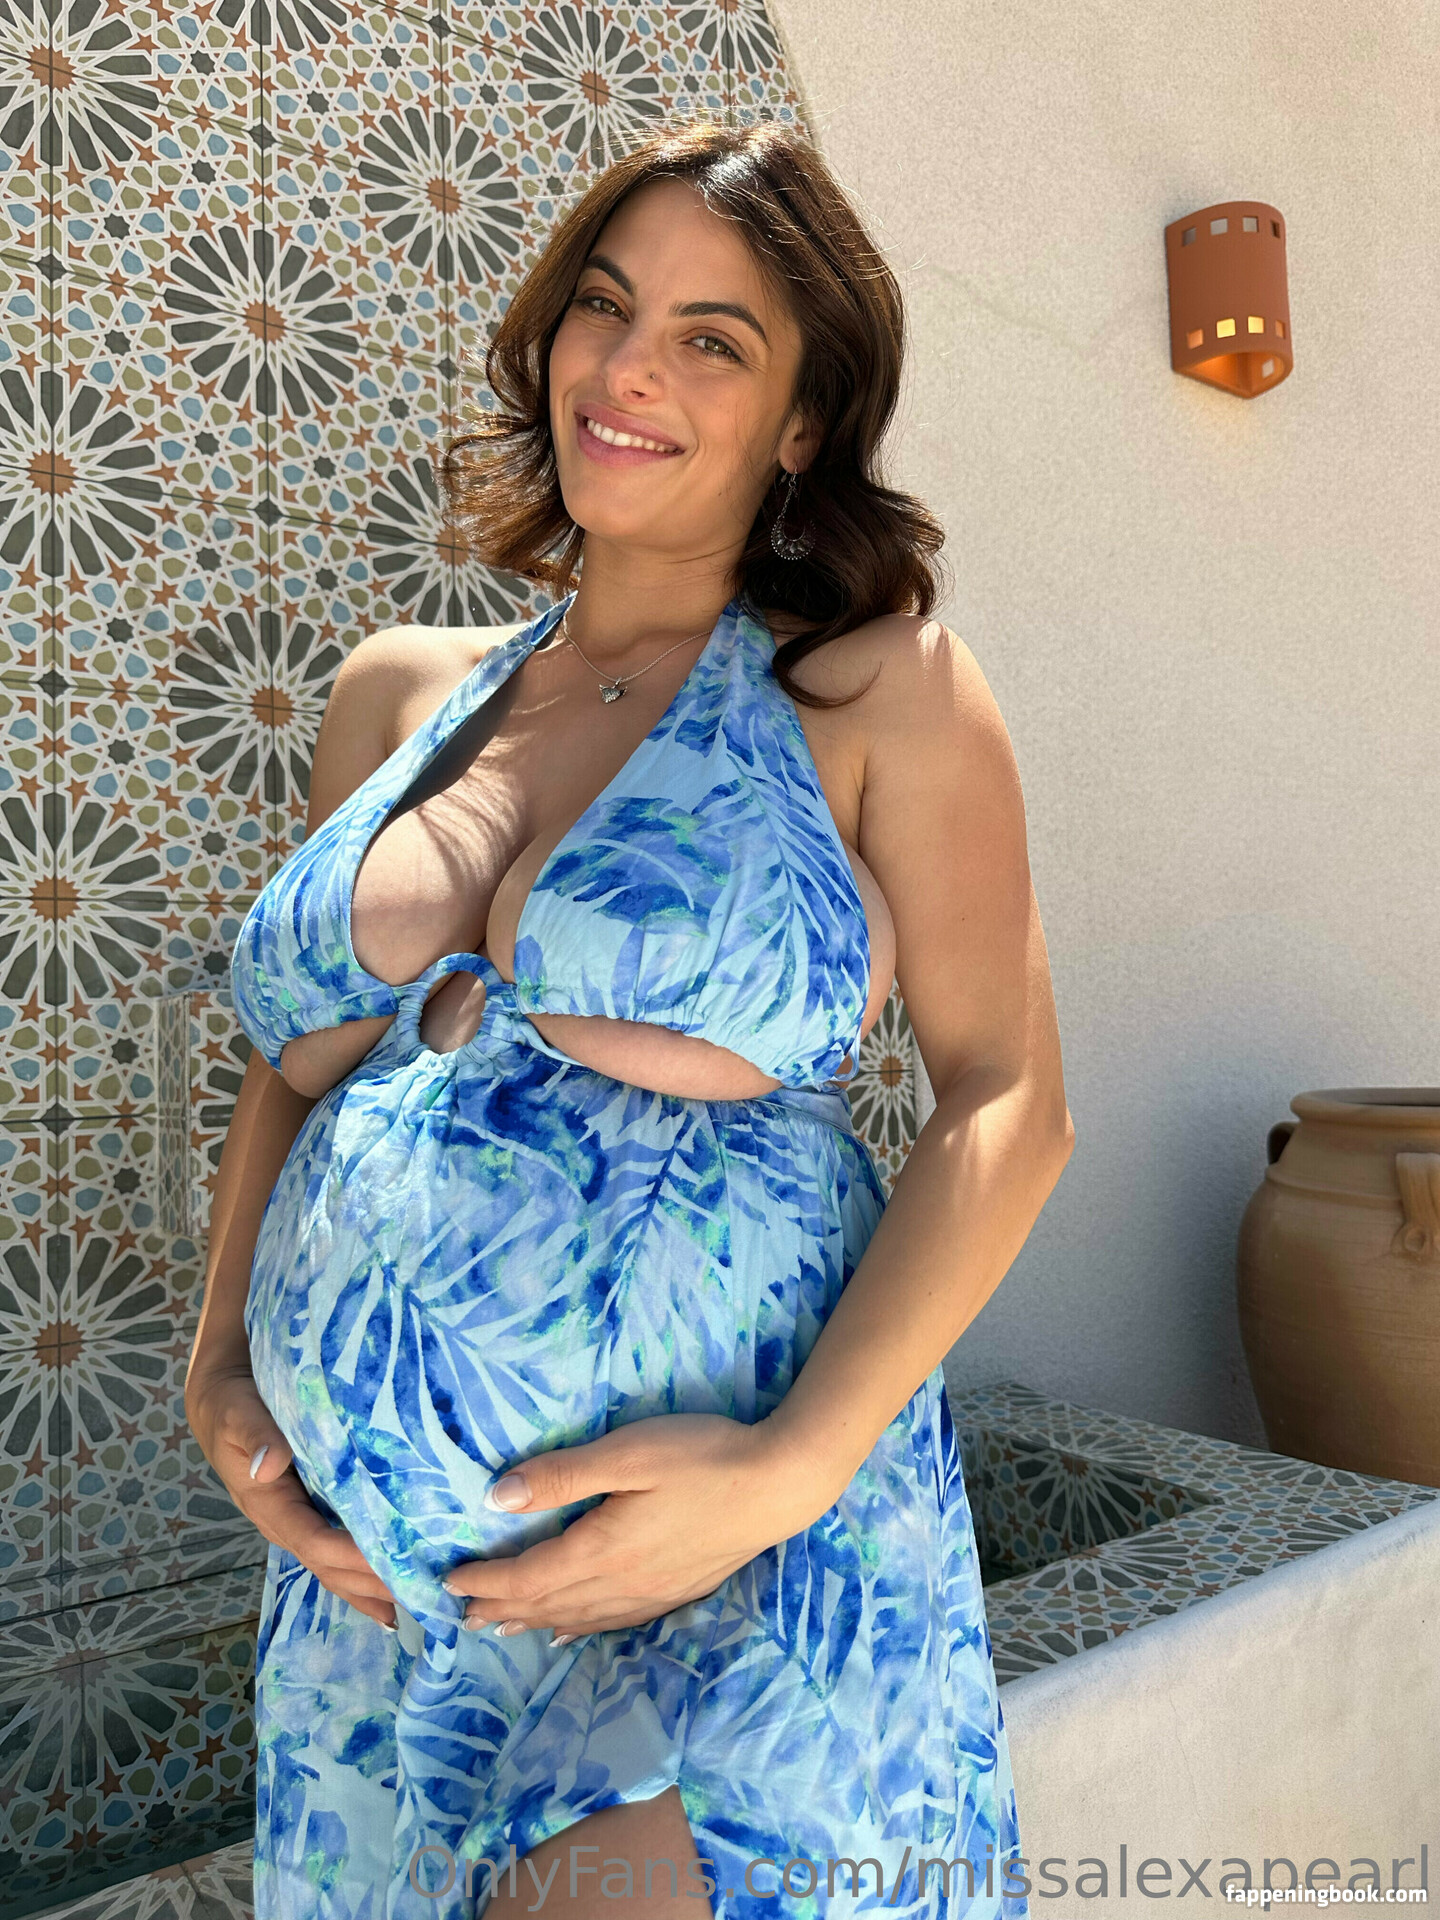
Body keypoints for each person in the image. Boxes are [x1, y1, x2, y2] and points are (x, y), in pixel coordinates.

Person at [186, 117, 1073, 1919]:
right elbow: (296, 1070)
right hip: (377, 1608)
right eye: (606, 307)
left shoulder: (878, 690)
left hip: (730, 1569)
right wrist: (218, 1370)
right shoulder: (398, 694)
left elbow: (1007, 1100)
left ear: (802, 423)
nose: (630, 368)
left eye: (711, 339)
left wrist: (782, 1474)